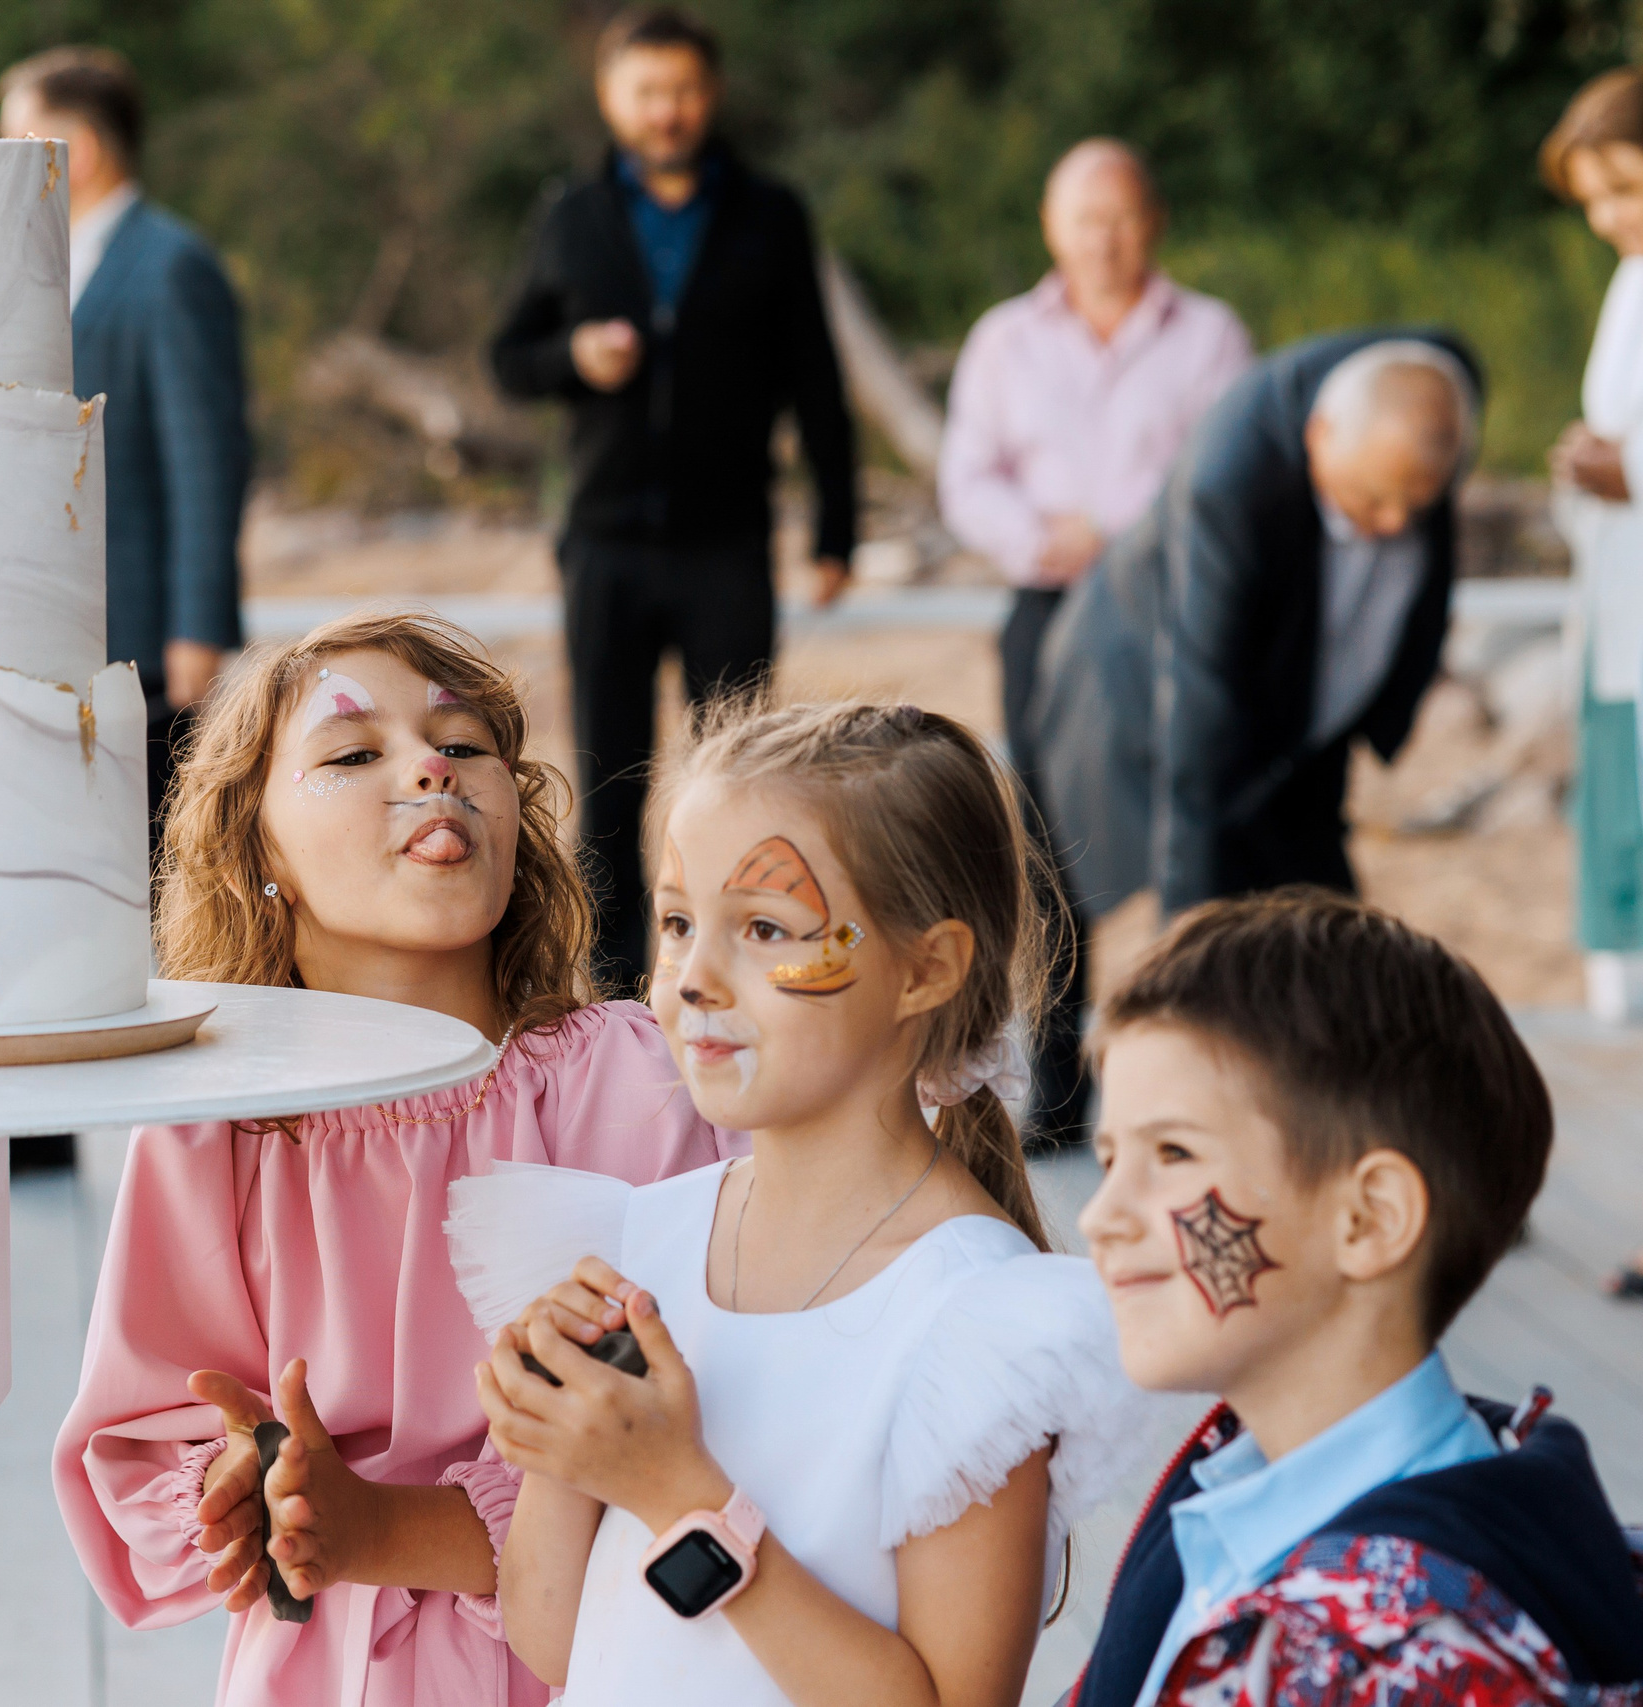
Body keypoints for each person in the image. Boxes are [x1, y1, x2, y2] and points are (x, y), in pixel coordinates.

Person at [52, 612, 733, 1707]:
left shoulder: (639, 1078)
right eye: (353, 753)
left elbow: (712, 1428)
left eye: (463, 744)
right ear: (257, 853)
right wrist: (248, 1488)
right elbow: (143, 1443)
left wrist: (384, 1525)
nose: (430, 768)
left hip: (604, 1662)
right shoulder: (213, 1128)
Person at [458, 700, 1147, 1702]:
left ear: (926, 970)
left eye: (764, 928)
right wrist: (569, 1457)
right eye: (679, 922)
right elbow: (555, 1640)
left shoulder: (972, 1325)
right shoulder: (641, 1240)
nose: (694, 979)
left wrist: (680, 1494)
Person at [1067, 892, 1643, 1706]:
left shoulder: (1400, 1666)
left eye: (1173, 1152)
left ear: (1368, 1218)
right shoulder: (1221, 1491)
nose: (1100, 1215)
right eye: (1108, 1159)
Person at [490, 5, 857, 996]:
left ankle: (734, 978)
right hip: (603, 542)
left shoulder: (770, 214)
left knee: (740, 776)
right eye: (648, 91)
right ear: (611, 98)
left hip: (726, 542)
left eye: (685, 90)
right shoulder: (572, 215)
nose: (668, 110)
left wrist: (836, 530)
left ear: (712, 94)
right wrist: (574, 357)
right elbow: (507, 358)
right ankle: (616, 995)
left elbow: (816, 378)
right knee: (610, 783)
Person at [939, 138, 1252, 1149]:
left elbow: (1232, 472)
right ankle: (1060, 1083)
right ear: (1051, 226)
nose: (1104, 241)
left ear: (1152, 221)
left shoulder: (1210, 335)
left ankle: (1194, 1067)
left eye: (1120, 219)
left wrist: (1128, 543)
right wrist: (1040, 538)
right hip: (1046, 599)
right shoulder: (1004, 339)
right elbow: (967, 474)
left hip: (1174, 607)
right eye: (1085, 220)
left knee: (1190, 817)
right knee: (1044, 834)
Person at [1030, 331, 1478, 926]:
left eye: (1417, 506)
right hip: (1129, 691)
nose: (1396, 523)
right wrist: (1187, 916)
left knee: (1316, 921)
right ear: (1319, 436)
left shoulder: (1438, 378)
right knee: (1092, 913)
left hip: (1293, 725)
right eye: (1372, 500)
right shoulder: (1228, 483)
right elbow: (1201, 711)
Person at [0, 45, 248, 838]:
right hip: (56, 628)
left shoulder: (170, 265)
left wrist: (197, 628)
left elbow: (205, 458)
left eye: (16, 142)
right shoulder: (45, 264)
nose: (0, 163)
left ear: (82, 148)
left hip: (145, 635)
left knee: (153, 859)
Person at [1544, 74, 1643, 1032]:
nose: (1609, 217)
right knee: (1617, 802)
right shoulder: (1630, 279)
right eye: (1594, 200)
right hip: (1619, 593)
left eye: (1625, 188)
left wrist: (1631, 469)